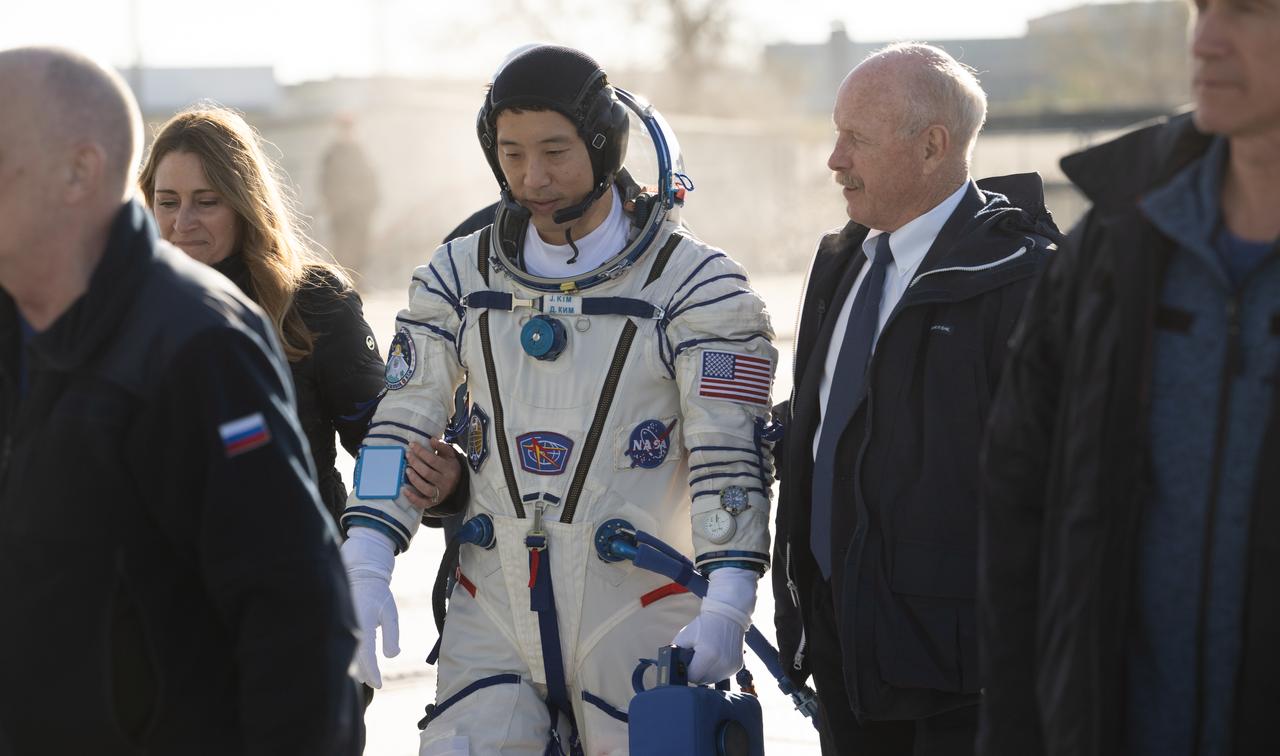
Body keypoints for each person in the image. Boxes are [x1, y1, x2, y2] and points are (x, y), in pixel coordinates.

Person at [340, 44, 778, 755]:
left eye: (554, 151)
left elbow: (728, 459)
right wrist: (364, 566)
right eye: (510, 154)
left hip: (640, 612)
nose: (532, 178)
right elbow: (399, 426)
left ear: (603, 146)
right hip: (494, 613)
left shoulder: (697, 288)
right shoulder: (458, 275)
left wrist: (729, 601)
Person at [0, 47, 361, 753]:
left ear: (79, 171)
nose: (185, 218)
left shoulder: (196, 345)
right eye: (171, 200)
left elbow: (294, 618)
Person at [979, 1, 1280, 754]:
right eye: (1200, 7)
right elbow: (1018, 508)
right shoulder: (1112, 244)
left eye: (1248, 10)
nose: (1206, 40)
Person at [770, 43, 1059, 756]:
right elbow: (845, 418)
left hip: (962, 684)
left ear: (933, 146)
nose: (834, 159)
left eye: (856, 139)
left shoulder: (1026, 283)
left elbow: (1066, 487)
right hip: (840, 654)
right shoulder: (845, 261)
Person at [137, 105, 395, 529]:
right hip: (170, 583)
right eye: (167, 202)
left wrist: (371, 547)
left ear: (244, 204)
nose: (182, 222)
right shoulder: (122, 309)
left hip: (299, 572)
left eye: (206, 201)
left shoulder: (313, 301)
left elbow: (384, 444)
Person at [321, 115, 381, 270]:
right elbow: (326, 182)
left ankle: (359, 281)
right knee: (341, 247)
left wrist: (372, 202)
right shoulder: (332, 154)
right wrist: (332, 203)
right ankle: (342, 282)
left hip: (360, 210)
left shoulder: (361, 151)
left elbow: (371, 178)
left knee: (361, 246)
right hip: (341, 211)